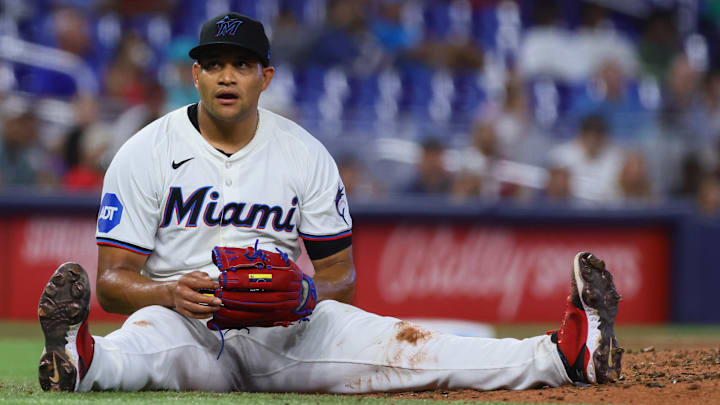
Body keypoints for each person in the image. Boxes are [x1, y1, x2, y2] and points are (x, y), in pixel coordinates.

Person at [37, 13, 623, 393]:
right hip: (185, 323)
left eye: (241, 64)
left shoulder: (305, 154)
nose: (226, 76)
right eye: (213, 64)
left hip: (284, 329)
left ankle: (566, 356)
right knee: (137, 349)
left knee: (409, 347)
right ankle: (80, 360)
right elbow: (111, 283)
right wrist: (168, 291)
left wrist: (307, 293)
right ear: (194, 74)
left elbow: (342, 277)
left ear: (265, 76)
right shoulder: (144, 152)